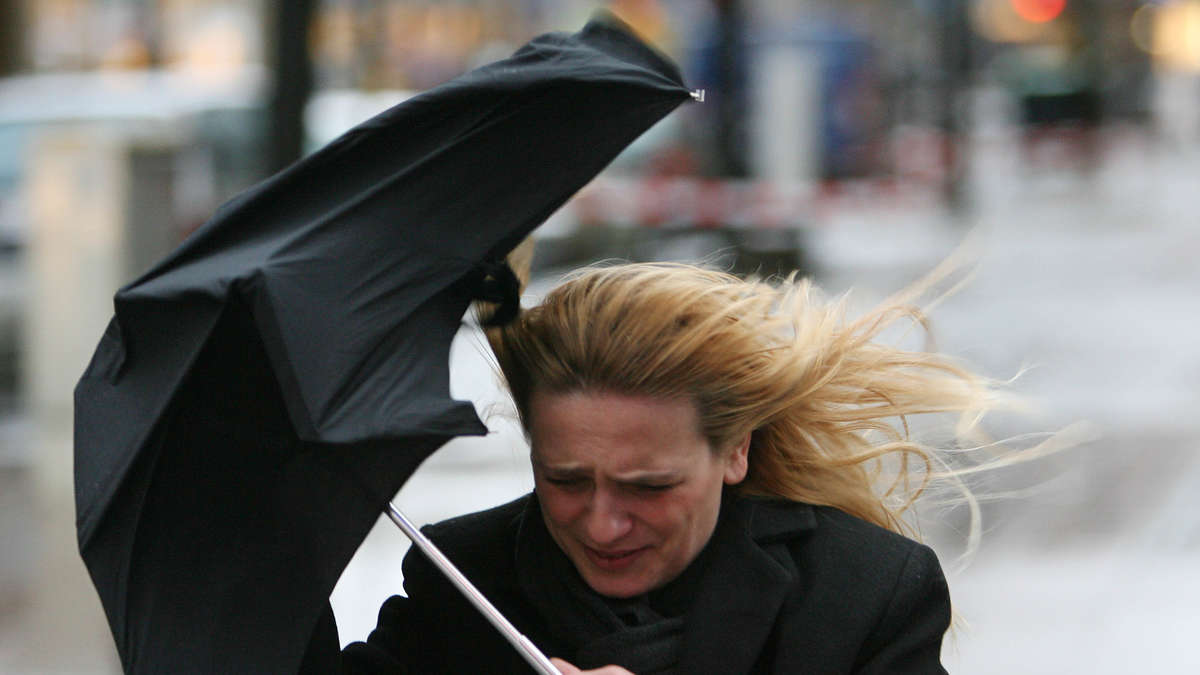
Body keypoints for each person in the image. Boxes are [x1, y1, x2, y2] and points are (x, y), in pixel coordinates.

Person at [341, 261, 1000, 674]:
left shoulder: (861, 594)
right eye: (566, 480)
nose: (602, 525)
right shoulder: (462, 582)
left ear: (735, 450)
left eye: (648, 486)